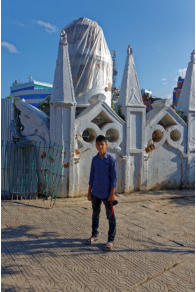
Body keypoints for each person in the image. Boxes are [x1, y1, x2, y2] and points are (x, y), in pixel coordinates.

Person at [86, 135, 117, 251]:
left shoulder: (111, 160)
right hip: (96, 193)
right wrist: (89, 192)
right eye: (98, 144)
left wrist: (112, 194)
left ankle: (110, 240)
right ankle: (94, 235)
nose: (100, 147)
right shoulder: (94, 159)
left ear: (106, 145)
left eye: (102, 145)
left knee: (111, 217)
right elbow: (91, 176)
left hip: (107, 194)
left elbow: (114, 179)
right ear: (96, 146)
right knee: (95, 214)